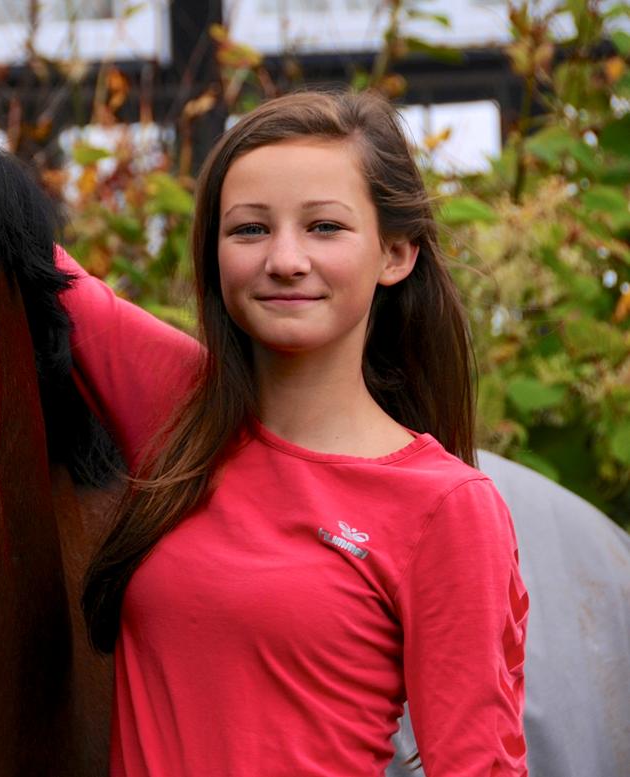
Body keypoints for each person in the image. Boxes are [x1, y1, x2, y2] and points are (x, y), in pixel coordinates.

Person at [58, 90, 528, 776]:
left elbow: (478, 766)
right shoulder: (177, 407)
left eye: (324, 228)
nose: (283, 258)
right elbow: (1, 234)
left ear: (395, 253)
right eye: (249, 229)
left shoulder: (446, 507)